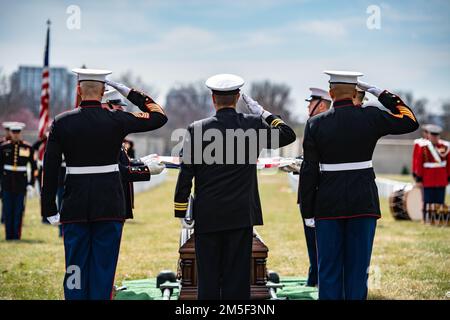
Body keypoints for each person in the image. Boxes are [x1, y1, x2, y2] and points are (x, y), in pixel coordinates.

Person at [41, 68, 167, 300]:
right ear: (102, 92)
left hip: (74, 203)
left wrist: (49, 207)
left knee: (75, 265)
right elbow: (159, 116)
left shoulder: (61, 122)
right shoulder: (116, 119)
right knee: (103, 265)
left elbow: (49, 168)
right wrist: (127, 91)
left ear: (78, 90)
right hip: (108, 202)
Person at [174, 74, 296, 300]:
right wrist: (264, 113)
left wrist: (181, 209)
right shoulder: (252, 125)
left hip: (208, 213)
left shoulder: (196, 129)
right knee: (238, 278)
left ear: (213, 99)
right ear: (238, 97)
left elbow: (186, 173)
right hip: (240, 214)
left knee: (208, 278)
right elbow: (287, 135)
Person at [299, 70, 419, 300]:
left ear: (331, 93)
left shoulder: (315, 124)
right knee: (357, 270)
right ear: (355, 92)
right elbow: (410, 120)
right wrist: (379, 92)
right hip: (363, 202)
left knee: (329, 270)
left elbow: (309, 172)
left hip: (328, 205)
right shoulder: (371, 116)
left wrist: (308, 211)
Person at [101, 88, 165, 219]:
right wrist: (144, 169)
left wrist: (140, 161)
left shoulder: (112, 130)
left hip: (112, 203)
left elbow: (118, 162)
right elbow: (113, 170)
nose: (122, 110)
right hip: (107, 203)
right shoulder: (103, 130)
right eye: (118, 106)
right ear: (105, 105)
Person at [300, 88, 331, 287]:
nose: (308, 106)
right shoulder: (315, 124)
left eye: (311, 102)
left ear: (321, 104)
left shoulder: (322, 124)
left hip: (319, 191)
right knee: (312, 242)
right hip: (310, 189)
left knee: (320, 242)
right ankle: (314, 276)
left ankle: (319, 278)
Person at [0, 122, 37, 240]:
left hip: (21, 183)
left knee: (18, 210)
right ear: (10, 133)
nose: (16, 135)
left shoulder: (28, 148)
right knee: (7, 209)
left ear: (21, 133)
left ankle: (16, 235)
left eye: (18, 132)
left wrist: (31, 184)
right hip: (7, 183)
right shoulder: (3, 147)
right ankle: (8, 235)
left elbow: (34, 167)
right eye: (13, 132)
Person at [412, 124, 450, 221]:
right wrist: (418, 177)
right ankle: (427, 218)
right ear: (429, 136)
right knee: (428, 200)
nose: (435, 138)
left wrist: (449, 176)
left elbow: (448, 163)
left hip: (441, 178)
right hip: (428, 178)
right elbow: (419, 162)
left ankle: (439, 218)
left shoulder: (445, 146)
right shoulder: (423, 147)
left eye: (436, 136)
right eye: (433, 136)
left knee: (440, 200)